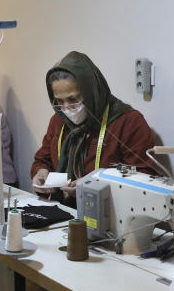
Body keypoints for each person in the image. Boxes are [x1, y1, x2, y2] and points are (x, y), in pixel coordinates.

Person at [31, 51, 156, 203]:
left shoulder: (128, 122)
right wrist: (41, 172)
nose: (67, 108)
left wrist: (93, 185)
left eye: (73, 99)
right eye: (59, 101)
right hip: (64, 210)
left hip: (109, 214)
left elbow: (144, 177)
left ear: (91, 92)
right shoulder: (58, 121)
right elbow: (42, 159)